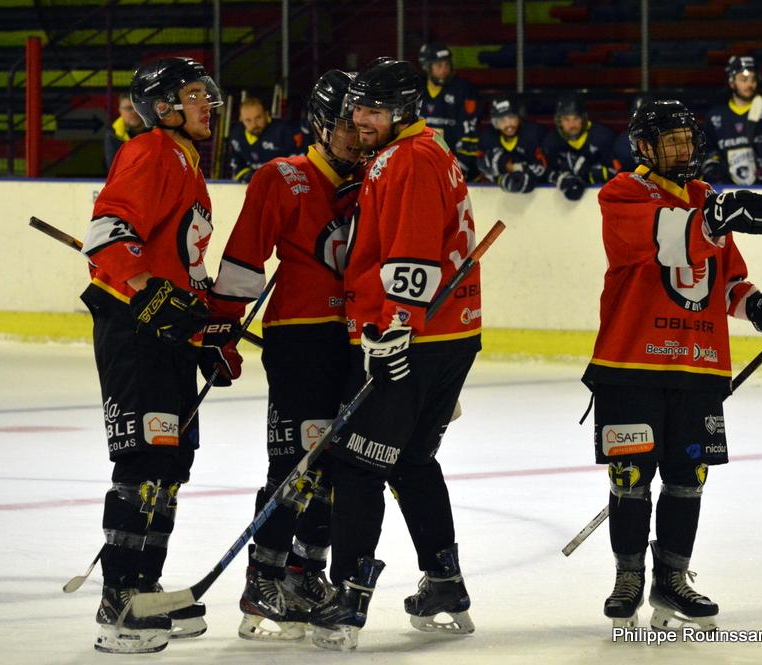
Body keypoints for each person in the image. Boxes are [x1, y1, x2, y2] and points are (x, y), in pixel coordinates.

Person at [581, 99, 762, 632]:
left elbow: (727, 283)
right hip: (630, 364)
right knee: (630, 476)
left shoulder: (705, 196)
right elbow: (665, 239)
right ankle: (628, 576)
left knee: (687, 478)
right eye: (670, 140)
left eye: (686, 139)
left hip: (698, 366)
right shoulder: (622, 192)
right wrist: (717, 216)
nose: (683, 148)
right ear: (644, 147)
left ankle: (671, 577)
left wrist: (759, 307)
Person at [309, 57, 481, 651]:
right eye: (357, 108)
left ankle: (348, 597)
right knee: (410, 461)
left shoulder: (407, 160)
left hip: (416, 340)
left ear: (405, 110)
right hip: (448, 334)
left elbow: (410, 255)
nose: (361, 121)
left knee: (358, 465)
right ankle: (445, 582)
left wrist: (393, 332)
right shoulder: (424, 151)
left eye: (374, 111)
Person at [208, 69, 364, 642]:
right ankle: (264, 576)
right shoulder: (283, 176)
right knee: (295, 463)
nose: (354, 134)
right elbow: (246, 258)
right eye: (344, 124)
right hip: (300, 339)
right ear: (320, 126)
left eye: (361, 122)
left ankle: (304, 575)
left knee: (333, 468)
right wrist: (221, 329)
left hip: (355, 341)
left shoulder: (377, 176)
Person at [79, 56, 223, 654]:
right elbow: (108, 237)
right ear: (162, 107)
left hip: (167, 337)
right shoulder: (149, 153)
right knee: (143, 463)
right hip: (134, 332)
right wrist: (148, 291)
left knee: (169, 467)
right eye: (194, 95)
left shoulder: (185, 162)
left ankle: (146, 585)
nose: (207, 104)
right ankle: (119, 597)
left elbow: (181, 265)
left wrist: (209, 331)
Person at [702, 55, 762, 185]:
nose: (750, 84)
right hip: (728, 192)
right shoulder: (714, 117)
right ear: (732, 82)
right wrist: (712, 166)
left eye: (753, 79)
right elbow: (707, 150)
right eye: (744, 79)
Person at [418, 43, 482, 180]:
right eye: (439, 65)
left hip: (455, 161)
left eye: (447, 65)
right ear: (427, 67)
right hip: (421, 160)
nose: (444, 70)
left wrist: (462, 164)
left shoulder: (463, 89)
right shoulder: (417, 89)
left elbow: (470, 128)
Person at [542, 93, 616, 201]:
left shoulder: (603, 137)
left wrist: (592, 174)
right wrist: (558, 178)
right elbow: (544, 171)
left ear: (583, 118)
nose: (572, 125)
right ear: (559, 121)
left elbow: (618, 172)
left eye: (576, 118)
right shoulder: (550, 142)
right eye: (566, 119)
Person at [479, 94, 547, 193]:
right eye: (502, 120)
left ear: (519, 117)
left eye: (511, 117)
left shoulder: (534, 133)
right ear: (495, 123)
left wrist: (512, 169)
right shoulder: (487, 138)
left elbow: (544, 168)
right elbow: (482, 167)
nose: (509, 124)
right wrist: (500, 179)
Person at [228, 97, 305, 183]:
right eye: (248, 120)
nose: (254, 124)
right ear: (241, 119)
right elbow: (237, 165)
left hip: (284, 184)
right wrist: (250, 178)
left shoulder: (285, 131)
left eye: (258, 118)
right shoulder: (237, 136)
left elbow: (299, 163)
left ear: (266, 114)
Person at [104, 92, 147, 171]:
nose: (134, 112)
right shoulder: (113, 135)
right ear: (120, 111)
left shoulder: (158, 131)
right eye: (128, 108)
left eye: (137, 107)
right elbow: (113, 168)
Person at [612, 93, 652, 175]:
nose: (641, 120)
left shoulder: (665, 136)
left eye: (645, 116)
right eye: (638, 116)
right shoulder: (622, 142)